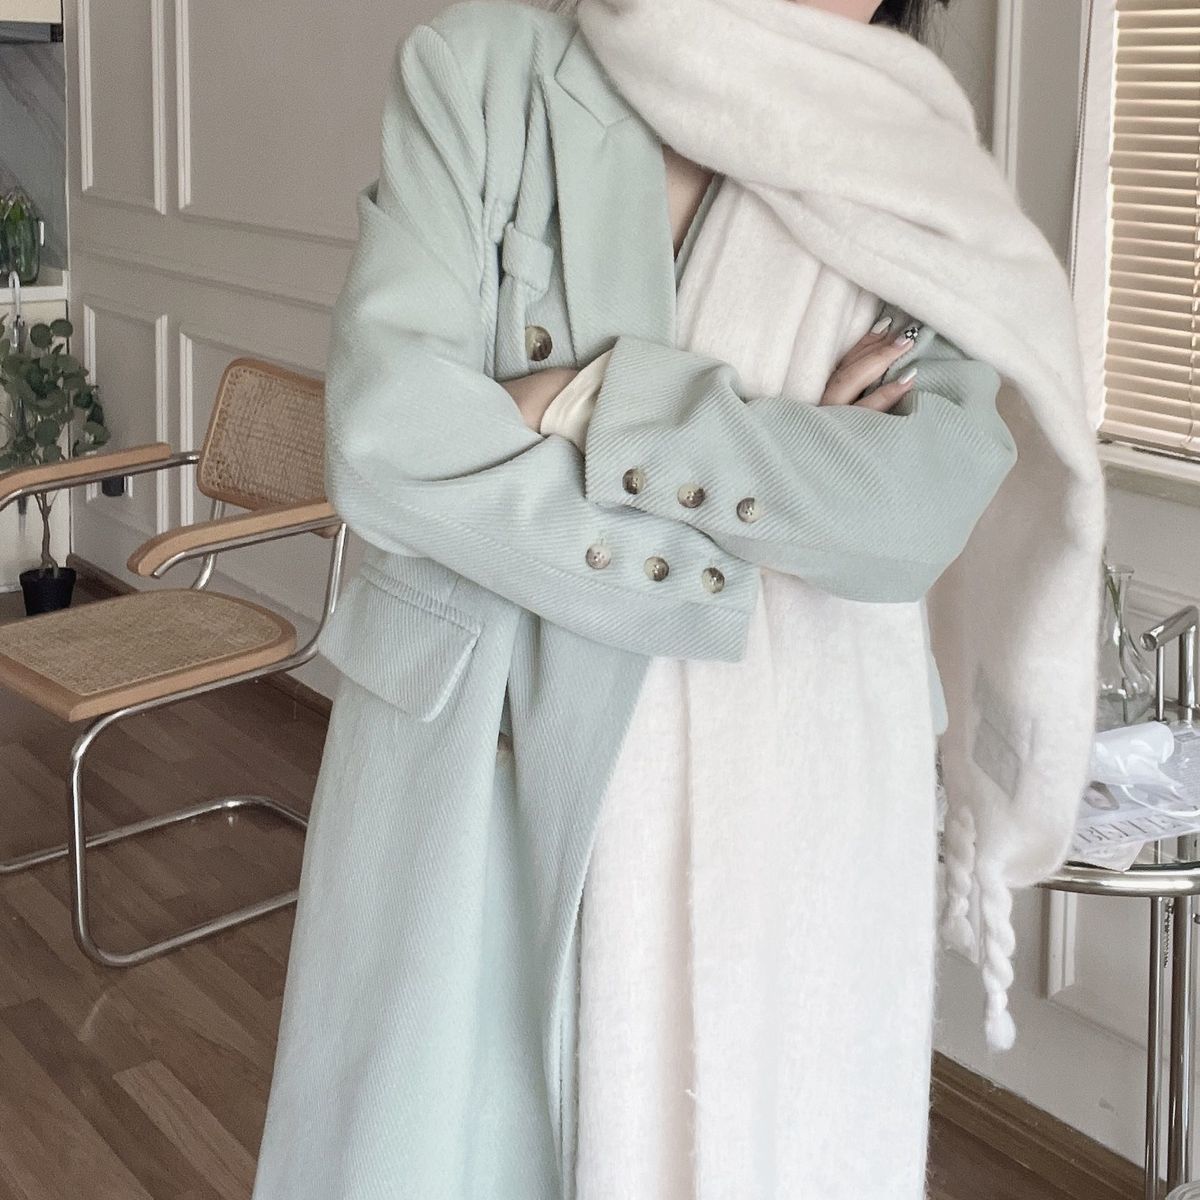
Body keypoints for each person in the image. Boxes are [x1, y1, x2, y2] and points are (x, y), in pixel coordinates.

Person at [249, 1, 1061, 1197]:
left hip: (792, 789)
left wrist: (597, 401)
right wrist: (775, 487)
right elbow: (384, 440)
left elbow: (911, 514)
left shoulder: (907, 160)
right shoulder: (487, 73)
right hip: (481, 760)